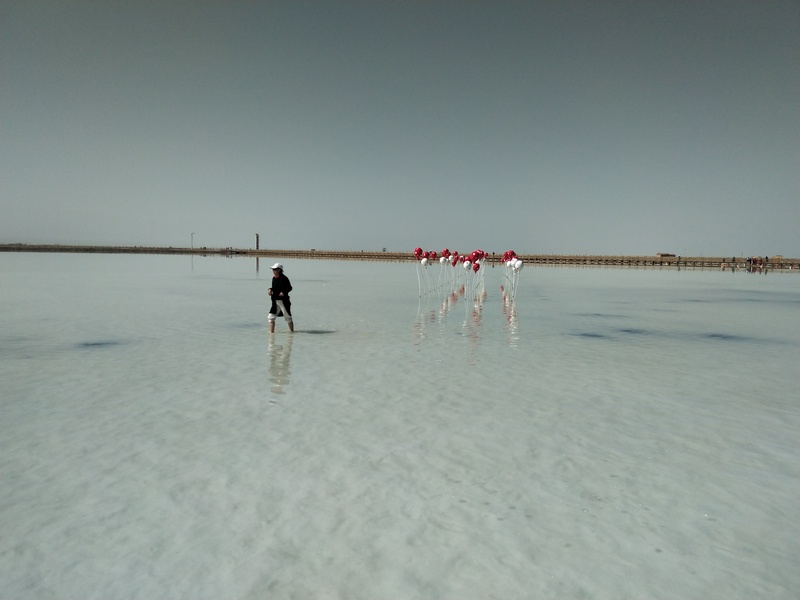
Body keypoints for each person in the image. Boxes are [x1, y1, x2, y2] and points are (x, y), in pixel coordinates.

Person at [268, 262, 294, 333]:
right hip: (275, 301)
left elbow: (289, 288)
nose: (273, 271)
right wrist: (270, 290)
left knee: (288, 317)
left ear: (279, 270)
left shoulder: (284, 278)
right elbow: (274, 288)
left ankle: (291, 333)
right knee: (271, 317)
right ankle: (271, 335)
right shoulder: (274, 278)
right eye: (273, 269)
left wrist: (283, 292)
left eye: (275, 269)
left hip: (283, 302)